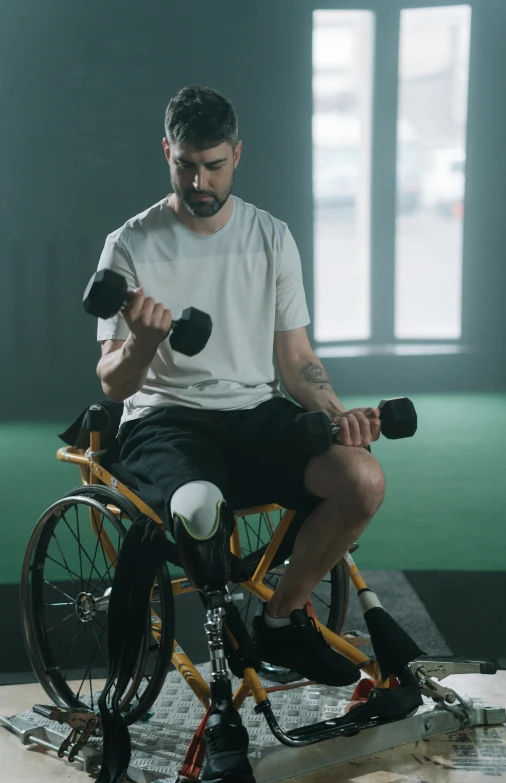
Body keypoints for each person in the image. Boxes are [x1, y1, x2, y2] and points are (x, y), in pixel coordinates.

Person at [95, 85, 385, 688]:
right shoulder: (129, 244)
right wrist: (145, 342)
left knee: (361, 479)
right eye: (186, 165)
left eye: (214, 166)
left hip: (254, 412)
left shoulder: (271, 237)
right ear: (167, 153)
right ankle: (227, 675)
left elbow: (296, 356)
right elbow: (115, 384)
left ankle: (278, 622)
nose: (199, 182)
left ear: (237, 155)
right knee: (200, 508)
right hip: (164, 420)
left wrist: (337, 417)